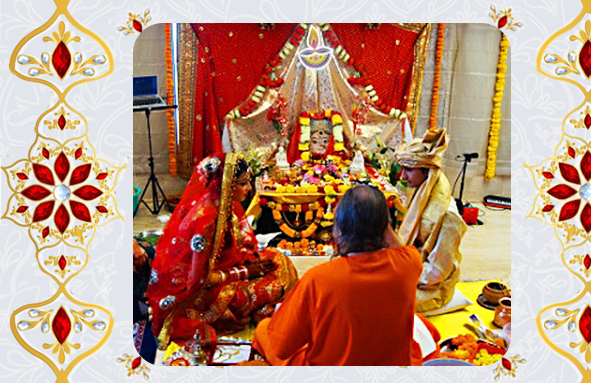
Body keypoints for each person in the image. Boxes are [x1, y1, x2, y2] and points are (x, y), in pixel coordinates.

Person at [252, 185, 439, 366]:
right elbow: (402, 247)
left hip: (331, 381)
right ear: (386, 228)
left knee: (264, 329)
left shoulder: (318, 278)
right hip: (388, 373)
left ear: (338, 228)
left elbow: (282, 348)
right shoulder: (408, 264)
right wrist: (380, 220)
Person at [147, 153, 298, 351]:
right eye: (243, 183)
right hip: (199, 295)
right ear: (226, 184)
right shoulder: (207, 220)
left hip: (220, 271)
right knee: (273, 285)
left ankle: (262, 310)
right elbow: (199, 281)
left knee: (278, 258)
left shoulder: (222, 205)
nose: (249, 188)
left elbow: (231, 249)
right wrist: (246, 272)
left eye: (248, 182)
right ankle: (256, 312)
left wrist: (248, 262)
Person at [395, 128, 467, 313]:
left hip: (431, 286)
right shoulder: (419, 193)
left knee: (383, 300)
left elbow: (437, 272)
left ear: (427, 171)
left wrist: (399, 273)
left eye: (409, 170)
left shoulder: (448, 217)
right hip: (410, 267)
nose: (402, 176)